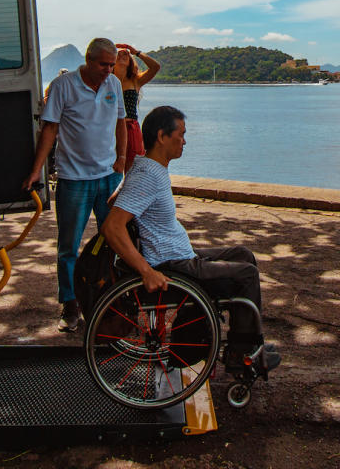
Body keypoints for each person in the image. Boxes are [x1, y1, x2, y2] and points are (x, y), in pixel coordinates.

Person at [102, 105, 280, 374]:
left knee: (242, 254)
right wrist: (146, 272)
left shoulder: (146, 166)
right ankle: (241, 354)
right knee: (246, 275)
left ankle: (247, 343)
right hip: (171, 264)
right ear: (161, 136)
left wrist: (128, 194)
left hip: (177, 253)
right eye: (181, 134)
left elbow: (114, 201)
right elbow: (112, 226)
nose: (184, 141)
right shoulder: (148, 175)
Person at [25, 38, 127, 331]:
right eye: (103, 64)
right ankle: (70, 305)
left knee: (116, 241)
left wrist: (121, 159)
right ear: (88, 59)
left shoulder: (113, 84)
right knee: (69, 246)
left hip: (108, 177)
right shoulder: (64, 85)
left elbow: (121, 121)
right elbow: (50, 128)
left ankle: (111, 300)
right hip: (74, 179)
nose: (109, 70)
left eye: (112, 65)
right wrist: (36, 170)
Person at [112, 43, 160, 170]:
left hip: (131, 129)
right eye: (118, 53)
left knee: (133, 169)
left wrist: (136, 52)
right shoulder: (107, 80)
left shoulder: (135, 81)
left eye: (125, 54)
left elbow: (155, 67)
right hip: (111, 128)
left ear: (130, 61)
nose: (122, 55)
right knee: (112, 168)